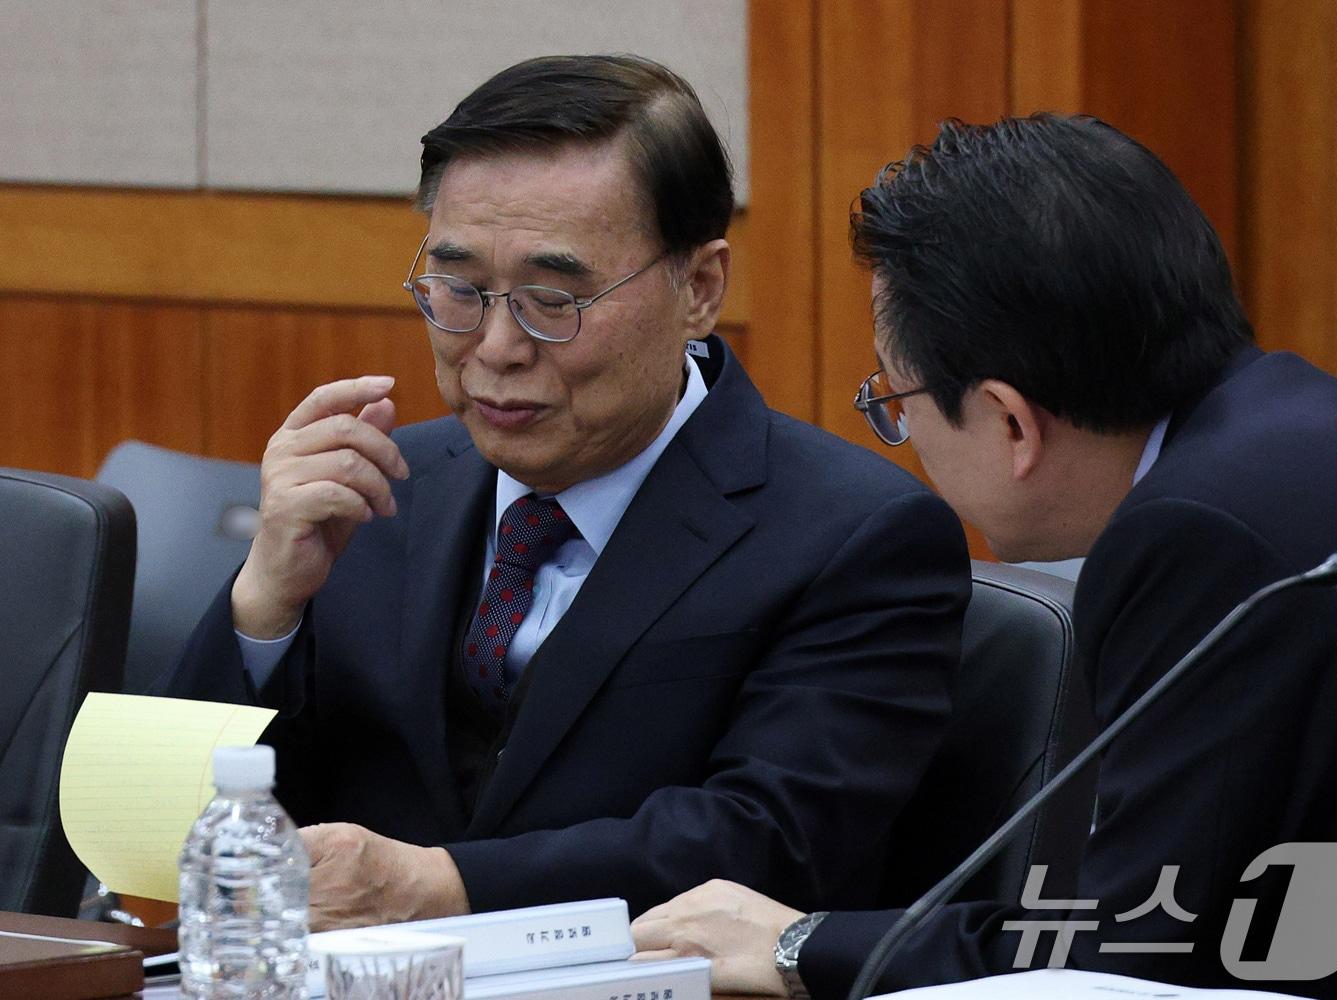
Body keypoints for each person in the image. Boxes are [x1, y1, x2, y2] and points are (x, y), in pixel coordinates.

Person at [160, 55, 970, 931]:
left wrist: (443, 888)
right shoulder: (381, 488)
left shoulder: (854, 534)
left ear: (698, 289)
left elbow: (767, 842)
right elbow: (165, 827)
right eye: (460, 290)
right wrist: (264, 605)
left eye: (554, 299)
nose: (496, 347)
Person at [631, 114, 1337, 999]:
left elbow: (1128, 960)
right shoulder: (1311, 434)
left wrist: (801, 944)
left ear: (1009, 420)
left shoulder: (1202, 536)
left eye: (896, 397)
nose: (900, 433)